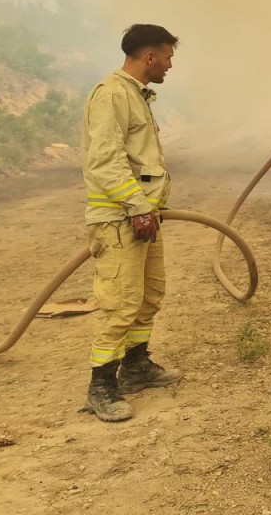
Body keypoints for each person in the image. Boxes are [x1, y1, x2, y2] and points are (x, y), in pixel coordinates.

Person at [80, 24, 183, 422]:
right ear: (150, 56)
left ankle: (136, 366)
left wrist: (149, 206)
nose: (171, 65)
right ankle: (101, 387)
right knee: (120, 303)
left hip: (142, 216)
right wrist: (138, 206)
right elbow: (105, 159)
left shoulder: (136, 96)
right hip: (120, 218)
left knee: (149, 295)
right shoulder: (112, 94)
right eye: (168, 57)